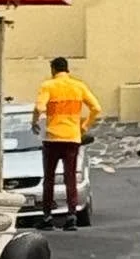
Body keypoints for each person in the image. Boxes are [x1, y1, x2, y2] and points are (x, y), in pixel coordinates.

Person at [32, 57, 101, 231]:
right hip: (72, 138)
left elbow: (39, 107)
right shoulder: (79, 86)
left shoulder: (48, 86)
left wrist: (34, 122)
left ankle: (47, 216)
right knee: (70, 178)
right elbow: (96, 108)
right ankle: (71, 216)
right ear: (67, 69)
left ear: (54, 70)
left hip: (53, 138)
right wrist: (84, 127)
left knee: (49, 178)